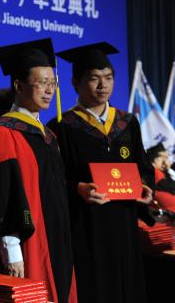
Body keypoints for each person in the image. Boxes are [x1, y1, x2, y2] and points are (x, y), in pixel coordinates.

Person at [0, 38, 77, 303]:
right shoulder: (3, 134)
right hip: (28, 247)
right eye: (42, 83)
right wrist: (11, 249)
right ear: (18, 86)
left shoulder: (48, 136)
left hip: (56, 241)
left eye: (53, 83)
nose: (49, 90)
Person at [48, 42, 154, 303]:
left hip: (124, 223)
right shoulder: (62, 126)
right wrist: (77, 188)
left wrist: (145, 185)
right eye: (94, 78)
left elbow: (143, 166)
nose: (103, 85)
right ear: (76, 83)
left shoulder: (126, 123)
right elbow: (53, 179)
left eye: (108, 77)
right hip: (86, 226)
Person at [148, 143, 175, 212]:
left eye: (166, 158)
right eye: (164, 158)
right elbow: (167, 186)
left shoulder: (164, 172)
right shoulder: (155, 171)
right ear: (155, 159)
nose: (165, 161)